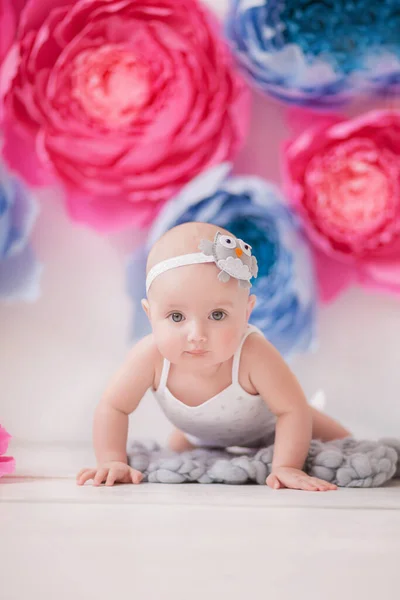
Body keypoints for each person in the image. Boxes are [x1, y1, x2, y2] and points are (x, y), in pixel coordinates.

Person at [76, 222, 351, 491]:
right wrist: (111, 460)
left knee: (343, 445)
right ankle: (195, 441)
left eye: (217, 315)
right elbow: (113, 406)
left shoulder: (254, 354)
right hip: (198, 434)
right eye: (176, 316)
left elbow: (292, 410)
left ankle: (350, 442)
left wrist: (286, 466)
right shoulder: (150, 356)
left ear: (246, 312)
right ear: (150, 315)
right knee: (181, 451)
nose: (197, 334)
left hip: (269, 428)